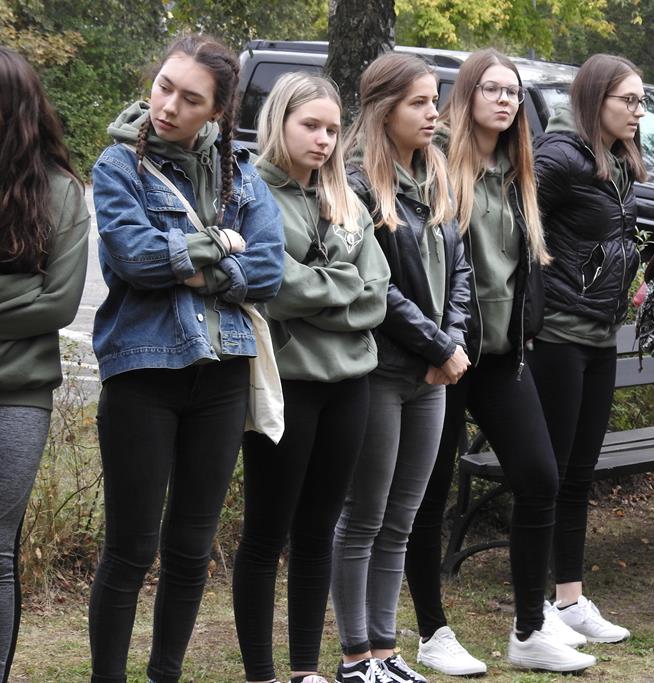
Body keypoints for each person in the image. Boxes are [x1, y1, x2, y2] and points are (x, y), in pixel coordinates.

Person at [88, 34, 284, 683]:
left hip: (223, 373)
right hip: (142, 370)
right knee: (130, 548)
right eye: (164, 86)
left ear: (218, 111)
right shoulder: (119, 165)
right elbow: (135, 258)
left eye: (190, 98)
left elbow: (270, 270)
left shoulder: (242, 171)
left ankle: (164, 675)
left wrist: (193, 264)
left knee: (191, 549)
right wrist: (221, 247)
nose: (168, 106)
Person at [403, 49, 596, 675]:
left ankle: (529, 629)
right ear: (466, 96)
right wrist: (436, 342)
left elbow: (523, 267)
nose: (505, 100)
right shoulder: (437, 165)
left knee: (540, 477)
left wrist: (528, 326)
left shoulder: (519, 170)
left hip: (501, 357)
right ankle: (432, 632)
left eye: (512, 91)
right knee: (429, 495)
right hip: (442, 355)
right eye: (491, 89)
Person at [231, 73, 390, 683]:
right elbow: (273, 285)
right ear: (280, 122)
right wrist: (340, 289)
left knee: (318, 529)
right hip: (285, 383)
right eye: (311, 126)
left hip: (349, 385)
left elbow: (376, 291)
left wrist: (320, 296)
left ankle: (304, 670)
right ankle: (261, 673)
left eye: (332, 129)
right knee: (267, 531)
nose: (324, 140)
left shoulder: (345, 199)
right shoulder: (250, 193)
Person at [329, 52, 471, 683]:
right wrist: (438, 346)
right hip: (381, 370)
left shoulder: (436, 175)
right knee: (364, 515)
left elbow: (461, 268)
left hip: (432, 376)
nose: (433, 113)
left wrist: (452, 342)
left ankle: (387, 652)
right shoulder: (358, 184)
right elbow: (376, 288)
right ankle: (355, 656)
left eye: (435, 100)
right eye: (419, 102)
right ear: (385, 110)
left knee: (403, 518)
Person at [528, 52, 646, 647]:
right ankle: (536, 606)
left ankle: (570, 599)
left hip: (601, 335)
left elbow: (606, 240)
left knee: (579, 473)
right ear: (596, 98)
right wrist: (542, 297)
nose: (638, 111)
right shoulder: (558, 155)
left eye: (642, 101)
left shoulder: (618, 162)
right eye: (629, 99)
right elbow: (521, 229)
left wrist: (628, 275)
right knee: (549, 474)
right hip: (558, 335)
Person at [0, 46, 89, 683]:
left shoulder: (60, 193)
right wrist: (20, 290)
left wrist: (35, 296)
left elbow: (57, 302)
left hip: (16, 398)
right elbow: (35, 296)